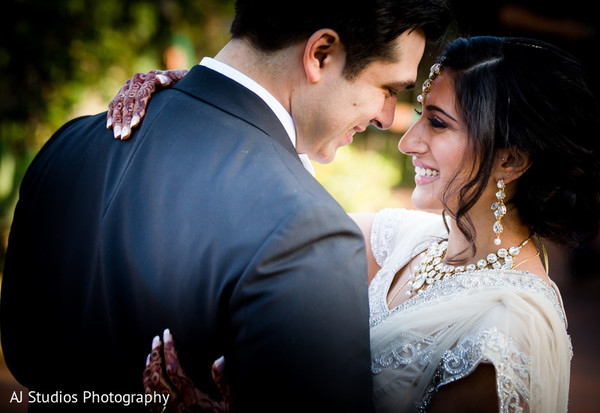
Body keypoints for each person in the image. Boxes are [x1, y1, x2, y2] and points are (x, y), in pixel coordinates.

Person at [0, 1, 451, 412]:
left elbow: (22, 354)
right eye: (389, 89)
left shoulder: (67, 146)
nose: (388, 118)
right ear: (321, 54)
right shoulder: (308, 231)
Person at [113, 35, 600, 412]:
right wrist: (206, 101)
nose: (408, 142)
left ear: (511, 160)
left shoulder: (506, 332)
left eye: (437, 123)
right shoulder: (405, 241)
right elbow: (268, 225)